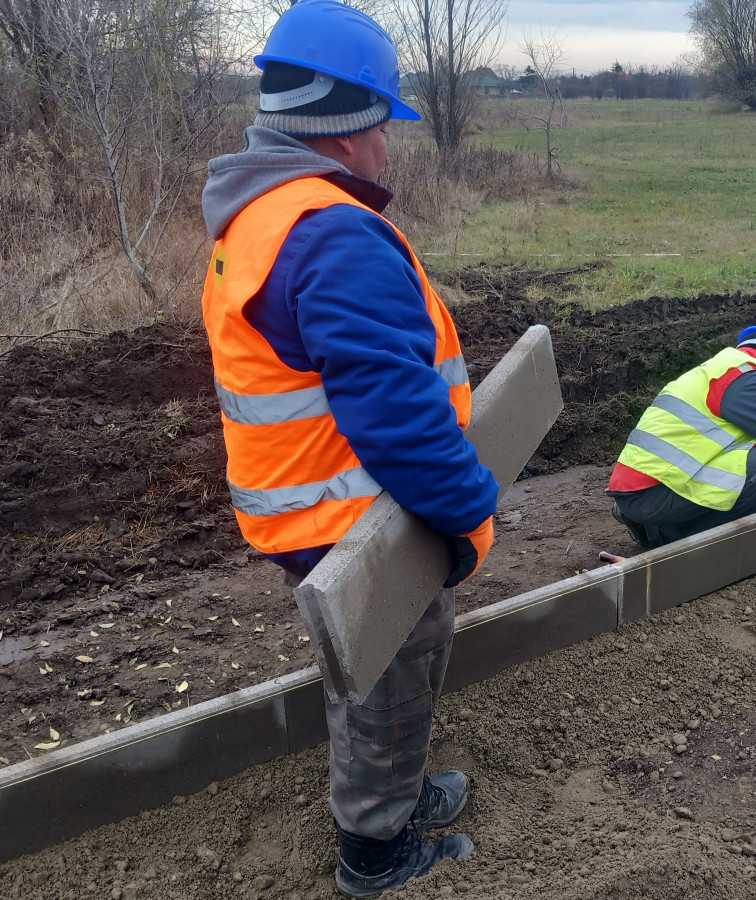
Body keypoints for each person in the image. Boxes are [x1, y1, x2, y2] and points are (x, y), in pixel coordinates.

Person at [198, 1, 498, 896]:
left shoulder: (260, 212)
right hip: (352, 513)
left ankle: (396, 799)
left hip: (310, 506)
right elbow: (396, 409)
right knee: (388, 676)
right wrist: (468, 505)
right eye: (382, 124)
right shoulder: (327, 230)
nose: (386, 146)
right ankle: (377, 849)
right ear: (346, 126)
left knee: (373, 669)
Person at [607, 326, 756, 548]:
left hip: (645, 486)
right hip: (652, 492)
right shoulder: (744, 377)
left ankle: (649, 526)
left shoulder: (717, 370)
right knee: (755, 468)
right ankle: (677, 542)